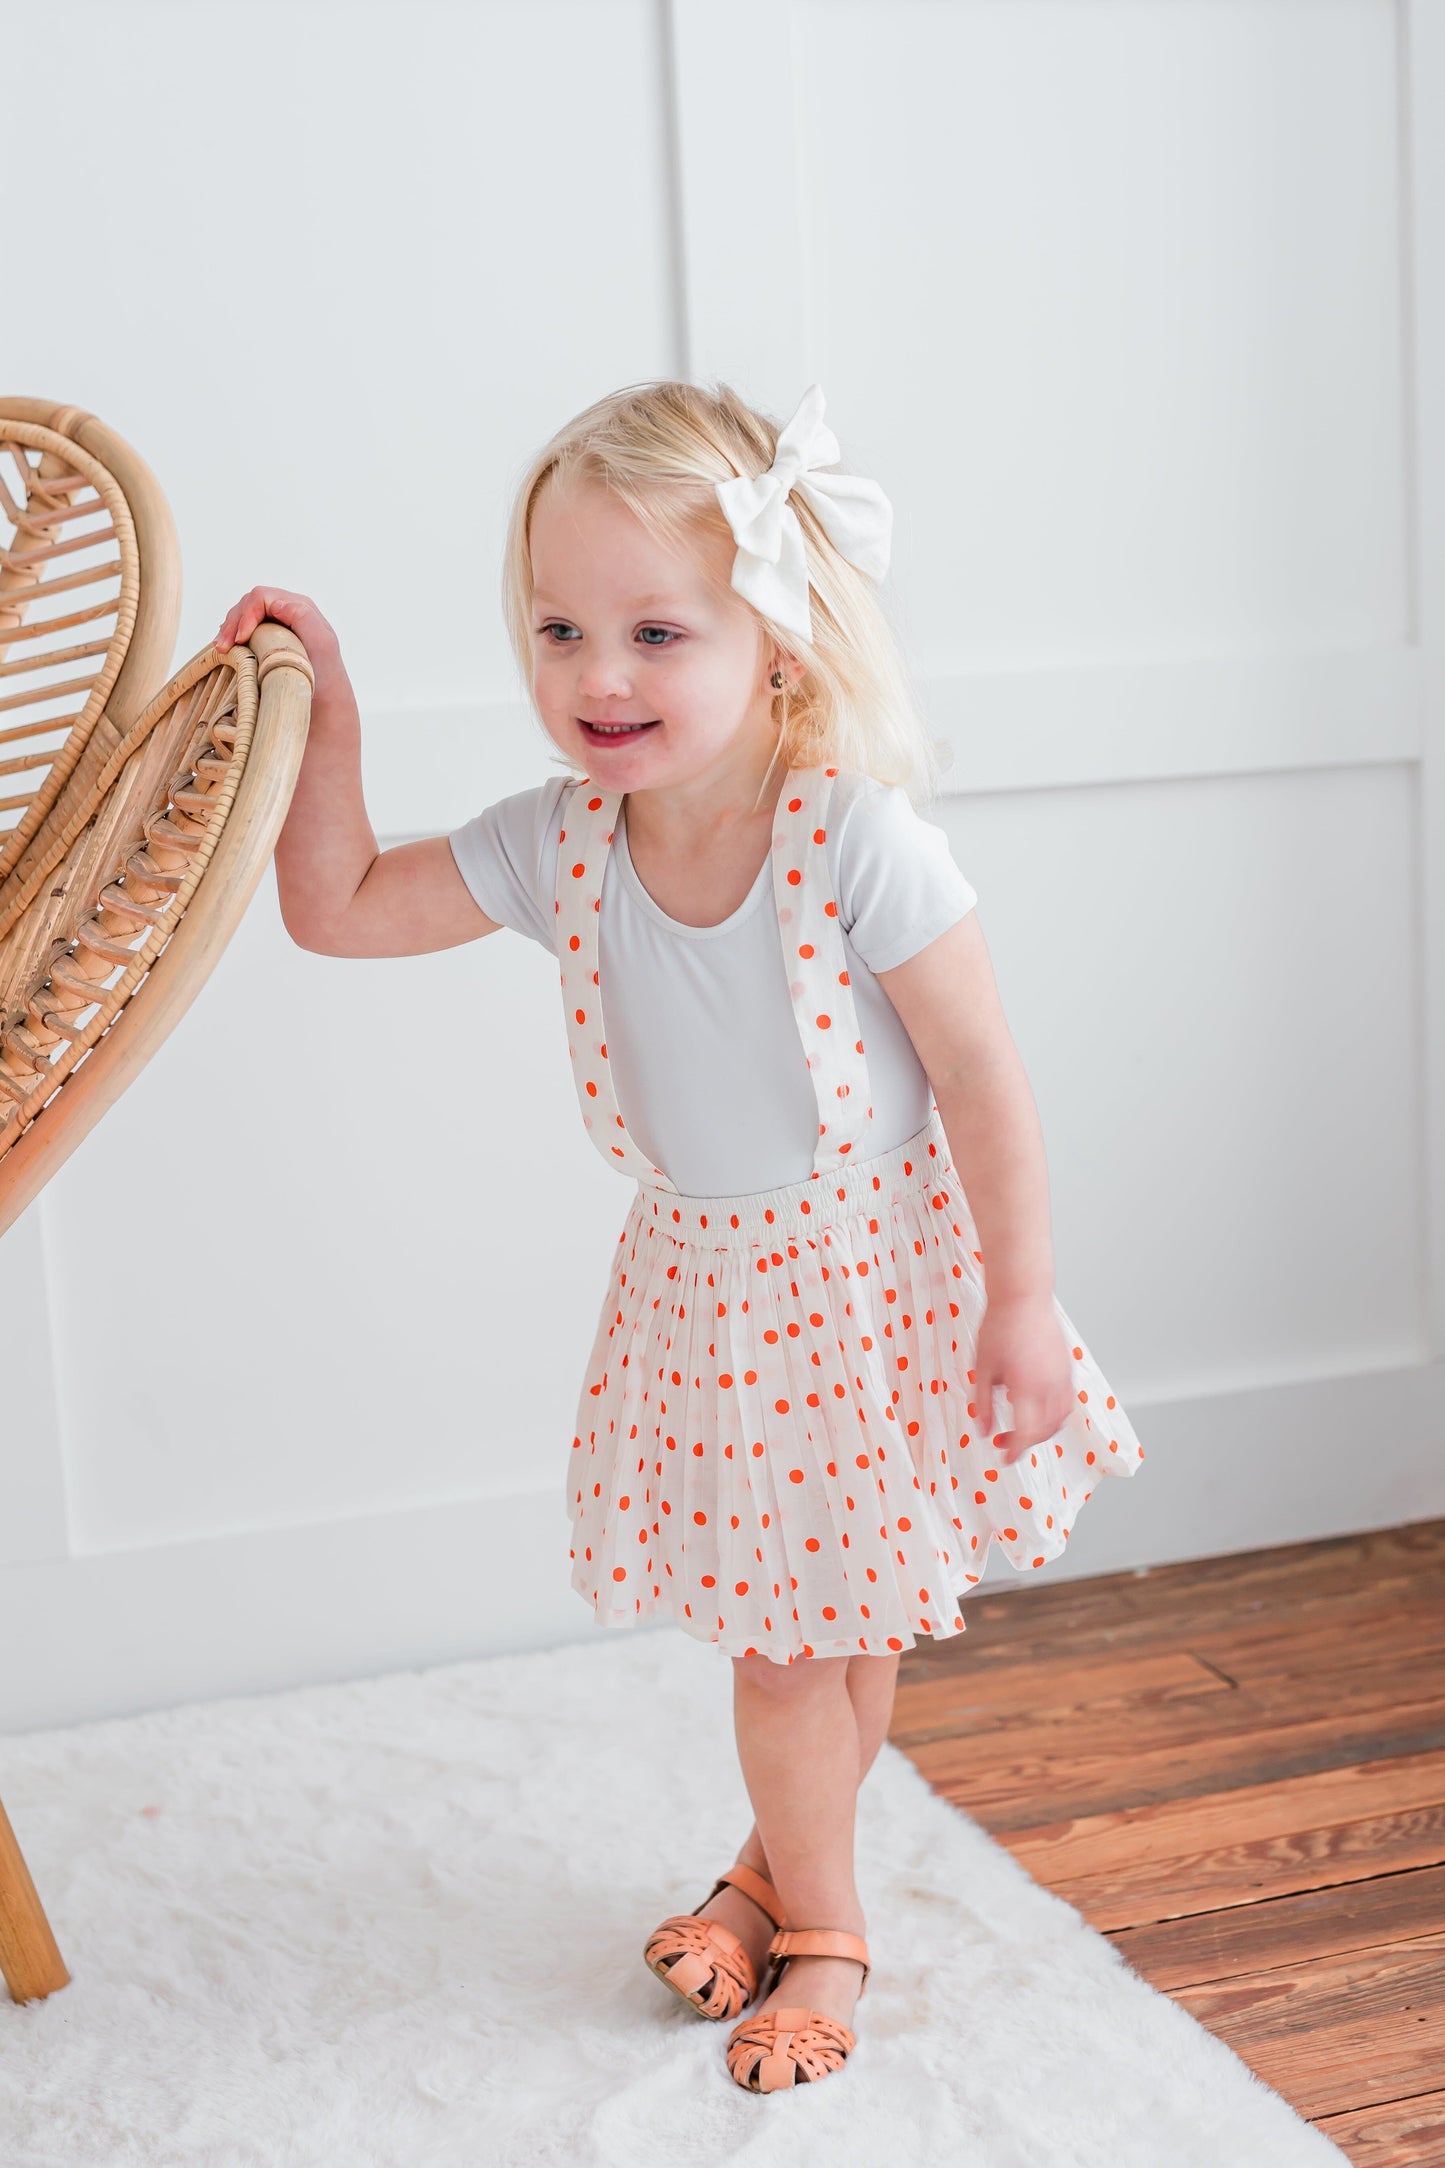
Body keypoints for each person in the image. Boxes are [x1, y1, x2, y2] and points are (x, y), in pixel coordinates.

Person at [213, 378, 1145, 2095]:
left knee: (804, 1647)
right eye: (559, 628)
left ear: (776, 640)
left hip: (871, 1279)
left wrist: (1021, 1299)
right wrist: (325, 715)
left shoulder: (849, 835)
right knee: (812, 1633)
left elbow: (983, 1074)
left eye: (656, 629)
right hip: (706, 1298)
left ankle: (825, 1940)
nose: (598, 676)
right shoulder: (559, 840)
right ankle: (768, 1873)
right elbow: (337, 911)